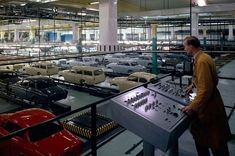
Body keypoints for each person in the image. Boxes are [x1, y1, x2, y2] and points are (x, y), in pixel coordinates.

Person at [182, 36, 231, 156]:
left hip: (209, 106)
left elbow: (205, 89)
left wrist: (192, 106)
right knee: (210, 138)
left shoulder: (201, 61)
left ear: (191, 46)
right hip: (211, 100)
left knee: (213, 139)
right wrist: (193, 84)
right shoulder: (204, 56)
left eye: (185, 46)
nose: (184, 49)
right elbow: (204, 78)